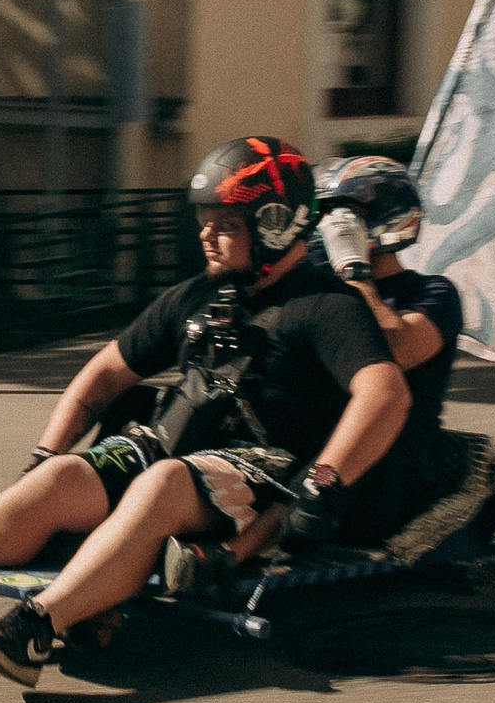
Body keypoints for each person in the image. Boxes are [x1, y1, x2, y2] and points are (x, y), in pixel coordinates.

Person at [0, 136, 413, 688]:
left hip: (261, 473)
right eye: (204, 221)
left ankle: (37, 626)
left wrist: (322, 482)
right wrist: (45, 457)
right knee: (61, 477)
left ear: (276, 225)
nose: (205, 236)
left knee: (163, 480)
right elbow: (101, 375)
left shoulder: (326, 306)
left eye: (226, 224)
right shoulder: (197, 297)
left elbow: (385, 394)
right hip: (170, 447)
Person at [157, 154, 466, 591]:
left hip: (384, 454)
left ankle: (224, 558)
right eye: (324, 215)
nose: (330, 226)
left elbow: (397, 349)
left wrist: (353, 270)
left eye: (347, 216)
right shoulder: (314, 285)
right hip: (308, 430)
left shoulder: (433, 293)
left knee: (323, 465)